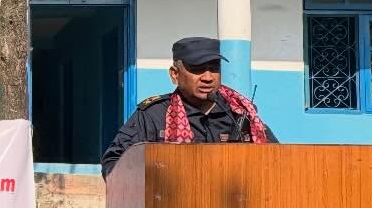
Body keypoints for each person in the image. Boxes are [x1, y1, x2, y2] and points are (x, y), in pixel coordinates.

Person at [101, 36, 278, 178]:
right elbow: (113, 164)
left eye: (214, 68)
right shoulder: (153, 114)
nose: (208, 77)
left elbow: (278, 161)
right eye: (197, 69)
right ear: (175, 74)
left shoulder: (241, 113)